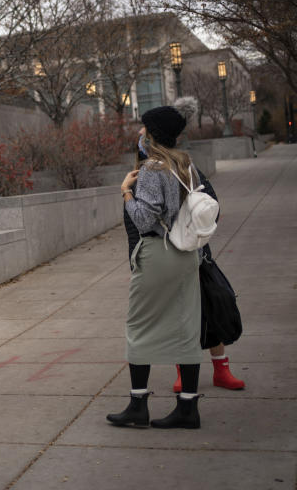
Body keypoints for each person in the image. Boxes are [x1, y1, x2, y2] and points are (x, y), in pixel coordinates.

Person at [109, 106, 205, 430]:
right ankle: (188, 408)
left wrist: (125, 192)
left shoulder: (152, 167)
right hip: (187, 253)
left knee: (139, 325)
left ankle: (138, 406)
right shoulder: (185, 164)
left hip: (159, 251)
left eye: (143, 128)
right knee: (186, 325)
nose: (140, 133)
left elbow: (144, 218)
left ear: (153, 133)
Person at [125, 143, 246, 393]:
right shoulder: (142, 177)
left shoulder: (186, 169)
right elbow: (134, 225)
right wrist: (136, 260)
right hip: (163, 257)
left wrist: (198, 236)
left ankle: (221, 370)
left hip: (195, 252)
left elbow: (210, 205)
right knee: (178, 316)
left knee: (210, 307)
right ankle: (183, 373)